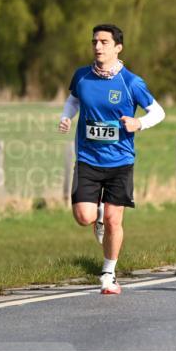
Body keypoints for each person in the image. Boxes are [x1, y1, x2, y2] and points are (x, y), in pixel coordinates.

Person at [58, 24, 166, 295]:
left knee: (114, 220)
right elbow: (73, 100)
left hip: (120, 161)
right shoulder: (82, 76)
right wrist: (66, 117)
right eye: (95, 41)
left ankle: (108, 274)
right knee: (84, 216)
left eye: (104, 42)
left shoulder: (131, 82)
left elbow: (158, 112)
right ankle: (97, 218)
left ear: (118, 48)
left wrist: (138, 123)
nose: (97, 47)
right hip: (87, 158)